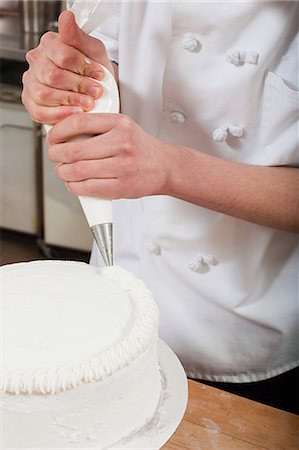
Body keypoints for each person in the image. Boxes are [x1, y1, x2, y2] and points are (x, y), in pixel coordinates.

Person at [22, 2, 299, 413]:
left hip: (251, 328)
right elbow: (108, 63)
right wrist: (73, 80)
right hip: (121, 296)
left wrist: (171, 168)